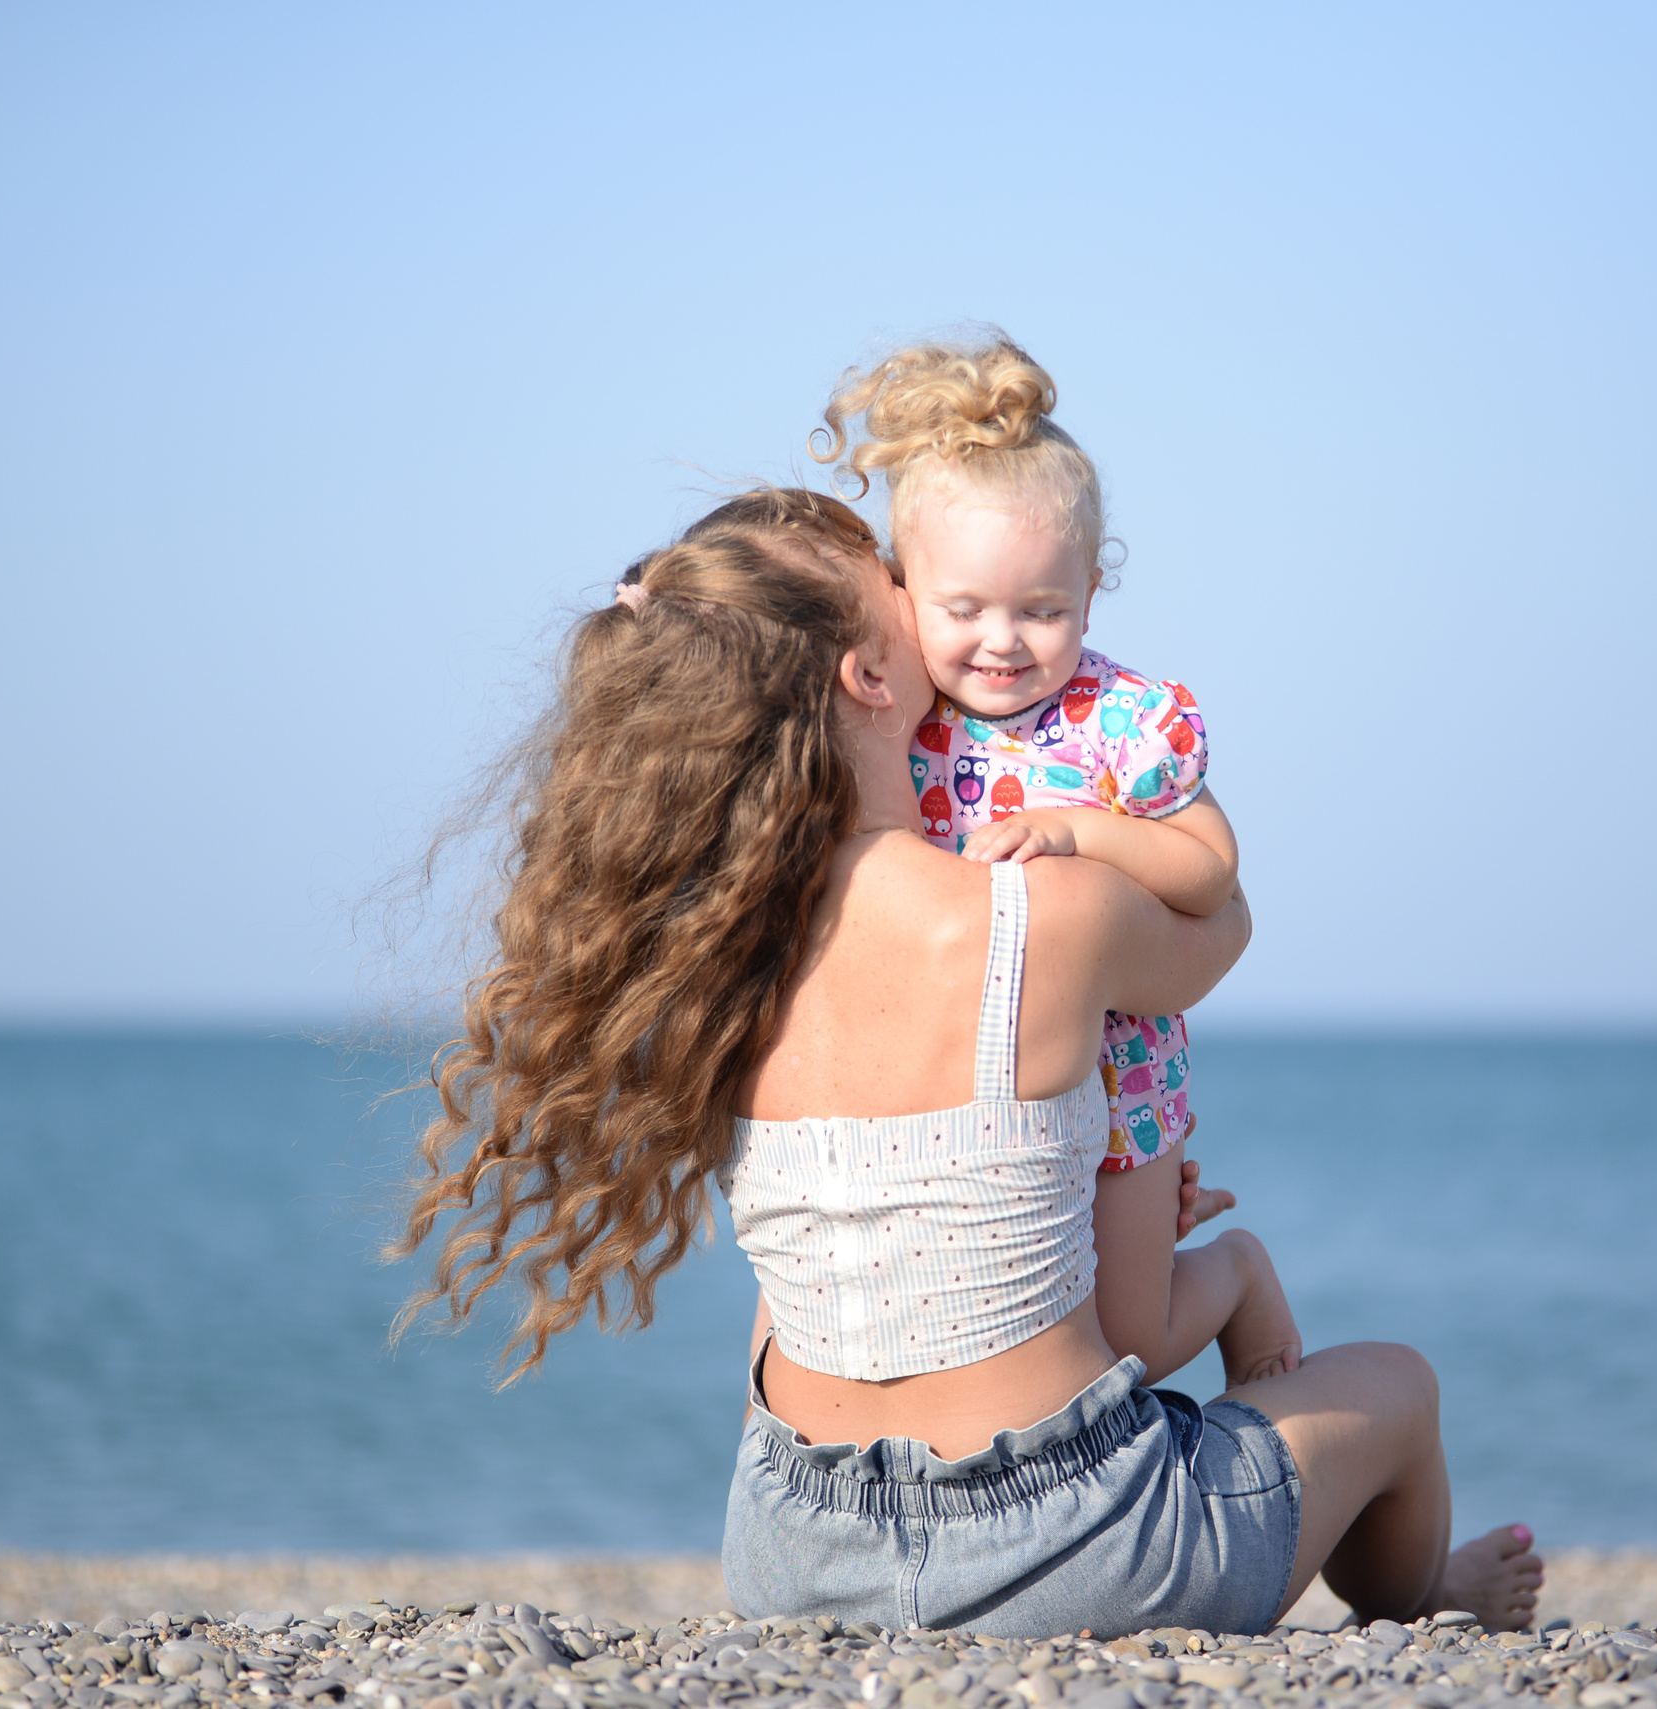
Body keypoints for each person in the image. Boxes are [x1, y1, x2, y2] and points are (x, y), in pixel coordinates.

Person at [393, 484, 1543, 1638]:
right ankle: (1417, 1597)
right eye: (895, 585)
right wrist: (1107, 817)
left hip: (792, 1548)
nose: (918, 591)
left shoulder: (703, 962)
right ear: (872, 678)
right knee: (1398, 1384)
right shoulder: (1037, 909)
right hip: (1077, 1543)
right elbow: (1222, 924)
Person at [816, 333, 1297, 1389]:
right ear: (904, 595)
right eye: (963, 610)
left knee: (1126, 1335)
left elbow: (1210, 871)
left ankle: (1234, 1272)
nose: (1002, 641)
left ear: (1092, 586)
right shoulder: (905, 710)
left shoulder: (1119, 723)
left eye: (1042, 610)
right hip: (975, 1074)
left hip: (1118, 1068)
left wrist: (1081, 831)